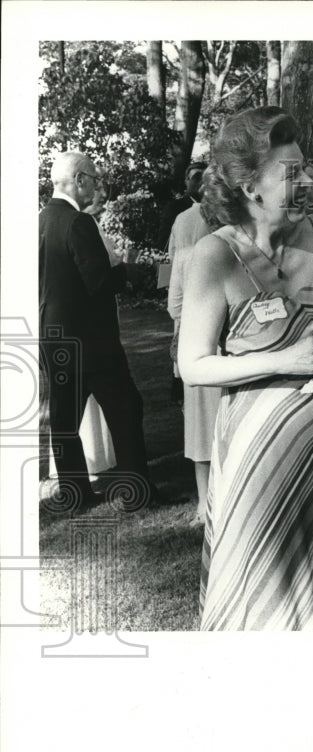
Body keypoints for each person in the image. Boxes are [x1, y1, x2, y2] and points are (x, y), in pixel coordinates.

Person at [178, 106, 313, 631]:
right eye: (292, 174)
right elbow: (192, 365)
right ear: (251, 187)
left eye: (306, 168)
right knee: (265, 602)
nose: (309, 180)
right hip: (258, 464)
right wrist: (286, 359)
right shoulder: (214, 255)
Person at [39, 151, 155, 511]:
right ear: (80, 180)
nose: (97, 184)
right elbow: (100, 283)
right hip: (92, 342)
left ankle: (75, 496)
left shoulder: (39, 220)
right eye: (94, 177)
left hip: (53, 337)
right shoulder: (78, 223)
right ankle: (136, 492)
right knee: (125, 409)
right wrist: (131, 272)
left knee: (64, 420)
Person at [166, 195, 218, 526]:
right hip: (211, 350)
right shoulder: (199, 255)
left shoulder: (186, 256)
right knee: (205, 425)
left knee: (202, 426)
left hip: (198, 346)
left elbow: (174, 308)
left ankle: (206, 502)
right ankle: (207, 502)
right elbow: (175, 306)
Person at [156, 160, 207, 251]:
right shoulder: (175, 208)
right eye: (197, 177)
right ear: (186, 181)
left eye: (206, 178)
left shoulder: (216, 207)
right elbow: (163, 244)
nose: (202, 182)